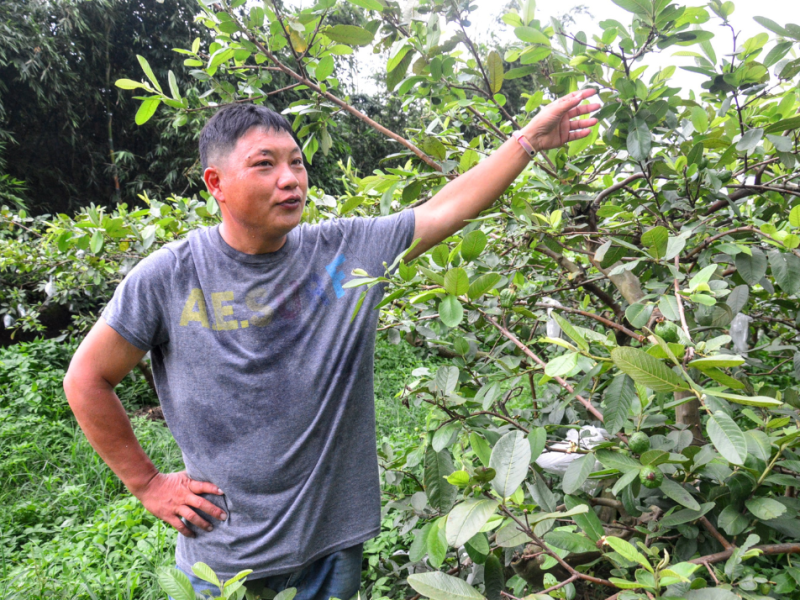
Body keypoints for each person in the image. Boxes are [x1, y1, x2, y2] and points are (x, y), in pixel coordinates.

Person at [63, 89, 600, 600]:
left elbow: (446, 207)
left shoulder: (344, 251)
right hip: (223, 556)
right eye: (264, 164)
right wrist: (149, 484)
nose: (290, 179)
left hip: (330, 547)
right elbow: (87, 379)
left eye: (296, 162)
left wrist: (527, 141)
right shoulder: (168, 276)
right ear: (216, 183)